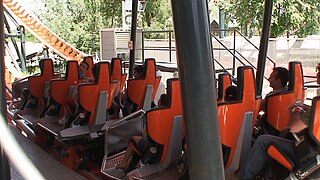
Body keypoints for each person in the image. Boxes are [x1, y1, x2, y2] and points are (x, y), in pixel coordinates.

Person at [239, 64, 320, 180]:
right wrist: (306, 108)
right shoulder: (316, 104)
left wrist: (296, 110)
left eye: (318, 72)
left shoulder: (273, 97)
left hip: (307, 153)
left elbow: (294, 128)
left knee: (263, 140)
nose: (316, 74)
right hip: (313, 148)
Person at [115, 94, 168, 173]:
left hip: (154, 148)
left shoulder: (155, 116)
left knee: (133, 140)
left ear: (160, 103)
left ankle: (123, 163)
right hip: (165, 148)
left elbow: (146, 134)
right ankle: (132, 166)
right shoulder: (171, 116)